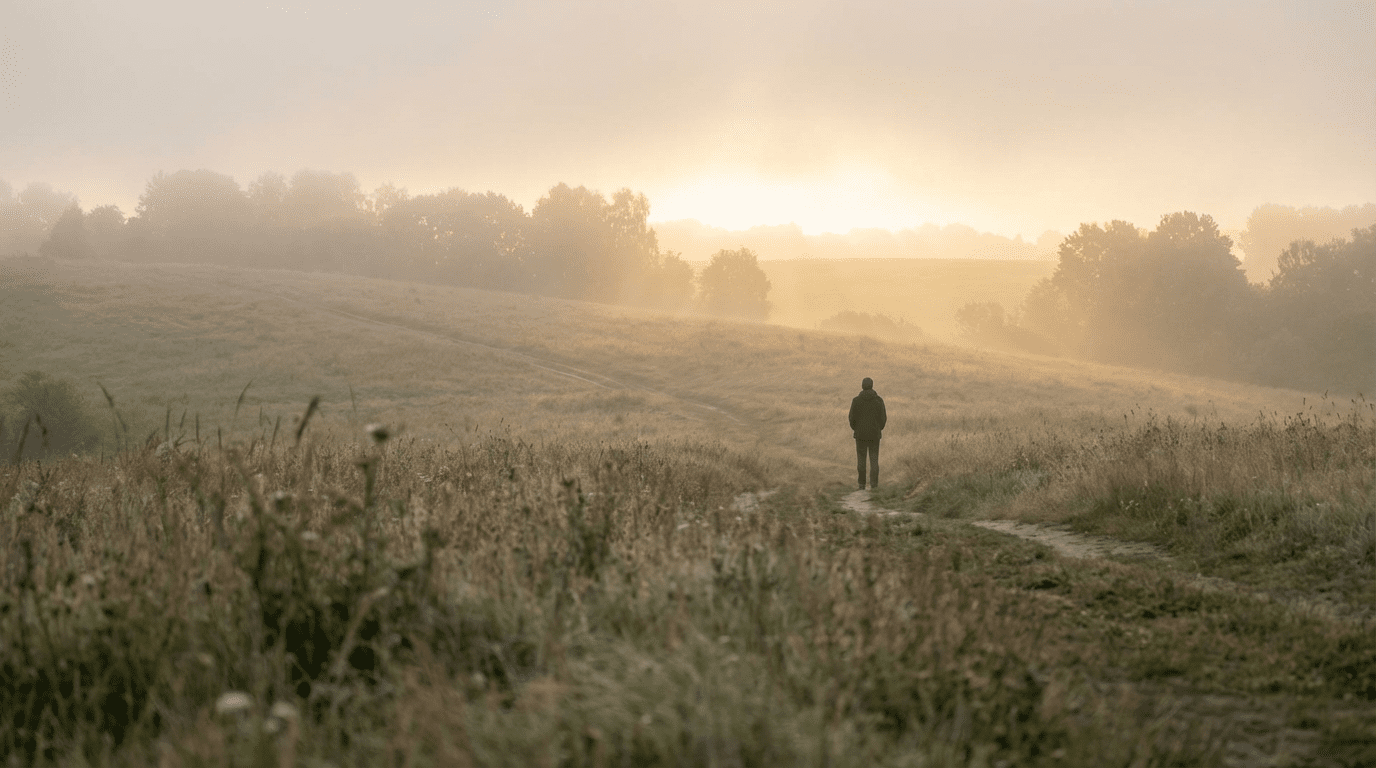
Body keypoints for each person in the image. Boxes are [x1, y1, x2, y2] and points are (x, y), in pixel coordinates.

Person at [848, 377, 886, 490]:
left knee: (861, 459)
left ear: (862, 386)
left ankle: (861, 484)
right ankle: (874, 485)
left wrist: (856, 429)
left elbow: (851, 418)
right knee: (874, 459)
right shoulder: (879, 400)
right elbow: (883, 418)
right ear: (872, 385)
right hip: (875, 435)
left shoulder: (856, 401)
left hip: (860, 435)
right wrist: (879, 429)